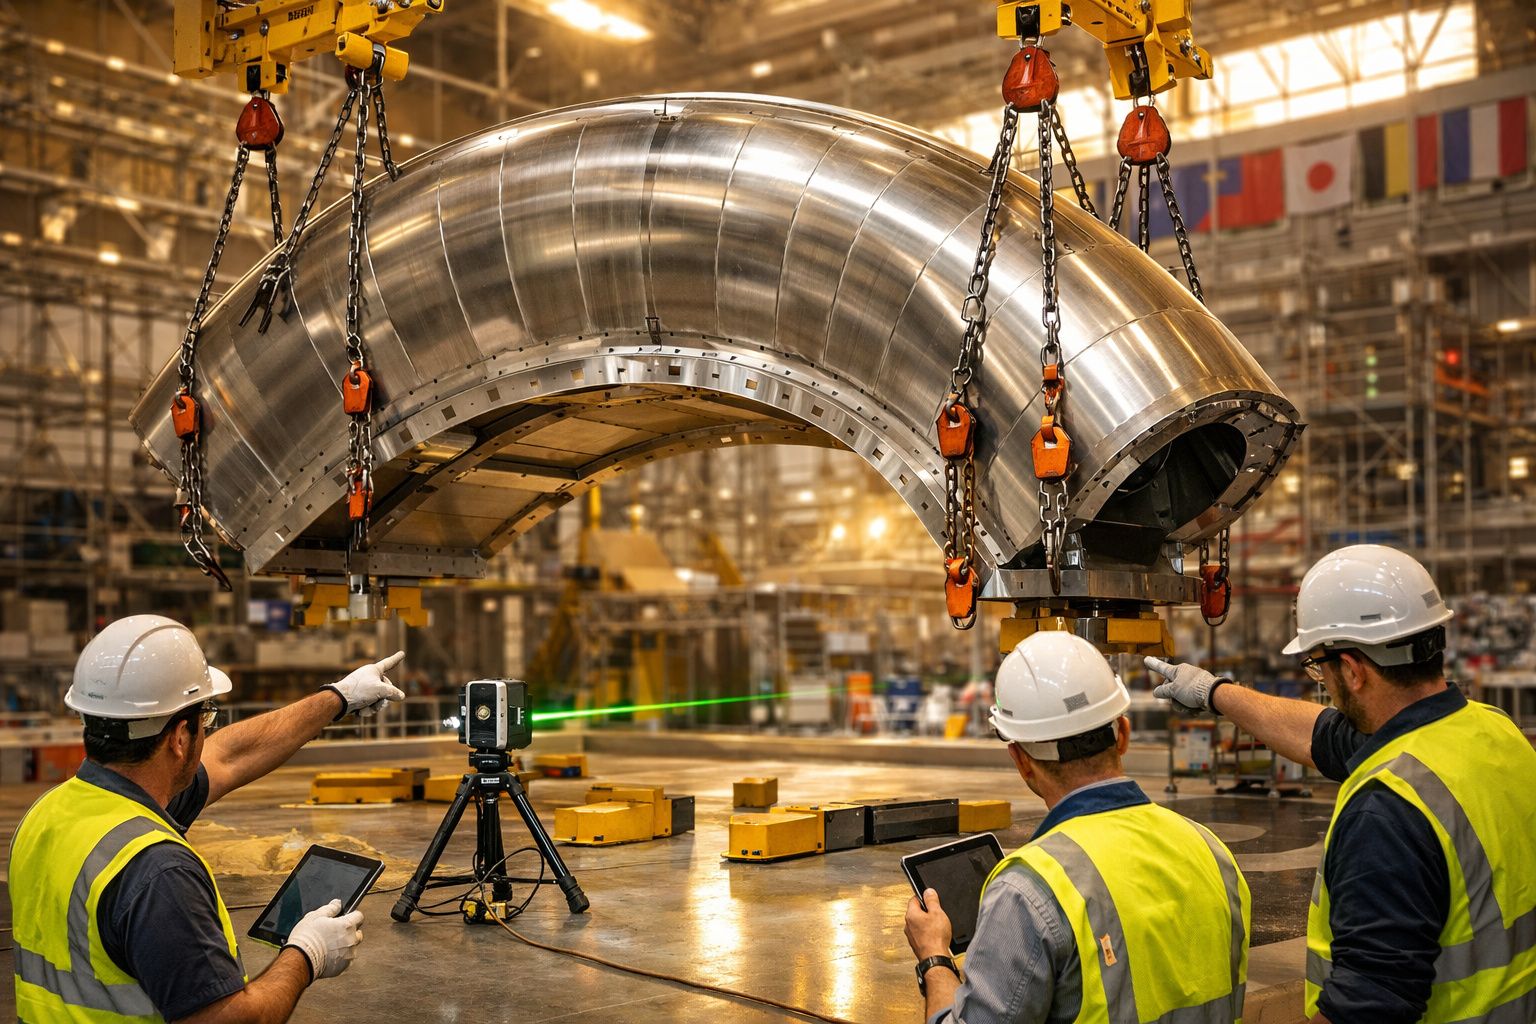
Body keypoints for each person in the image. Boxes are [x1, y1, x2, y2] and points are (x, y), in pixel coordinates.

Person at [1147, 543, 1536, 1024]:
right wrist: (1215, 693)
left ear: (1351, 670)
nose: (1320, 681)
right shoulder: (1495, 733)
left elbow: (1368, 1005)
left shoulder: (1387, 809)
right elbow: (1326, 735)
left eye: (1318, 668)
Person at [11, 614, 409, 1024]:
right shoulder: (158, 872)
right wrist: (307, 955)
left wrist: (340, 696)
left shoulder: (47, 814)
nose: (209, 732)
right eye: (207, 718)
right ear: (180, 738)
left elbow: (230, 756)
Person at [905, 631, 1250, 1024]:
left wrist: (934, 958)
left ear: (1021, 760)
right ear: (1122, 734)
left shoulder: (1027, 893)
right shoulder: (1212, 851)